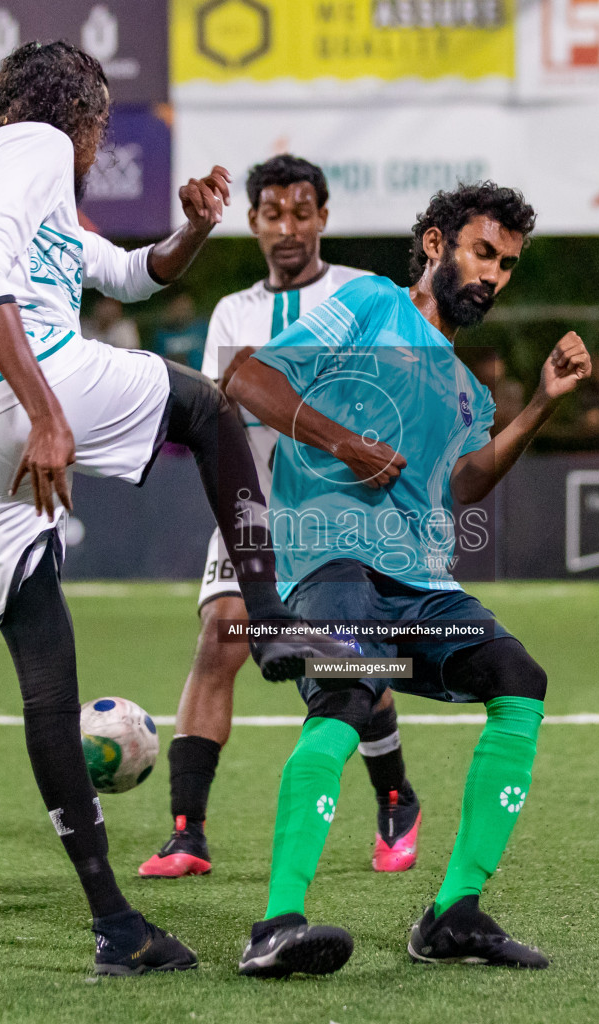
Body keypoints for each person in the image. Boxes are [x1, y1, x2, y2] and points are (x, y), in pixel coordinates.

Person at [0, 41, 350, 976]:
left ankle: (118, 925)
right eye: (101, 121)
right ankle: (272, 623)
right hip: (15, 384)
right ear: (75, 109)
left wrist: (190, 232)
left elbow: (127, 275)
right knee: (208, 403)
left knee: (45, 670)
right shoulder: (32, 145)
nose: (100, 140)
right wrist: (42, 414)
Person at [226, 182, 591, 977]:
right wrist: (344, 443)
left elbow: (463, 485)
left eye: (507, 265)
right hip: (332, 561)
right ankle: (276, 924)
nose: (493, 275)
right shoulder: (364, 306)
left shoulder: (468, 387)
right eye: (482, 252)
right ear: (435, 245)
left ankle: (454, 913)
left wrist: (539, 407)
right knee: (351, 691)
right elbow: (247, 381)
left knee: (517, 678)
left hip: (419, 588)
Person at [139, 155, 422, 881]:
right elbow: (229, 402)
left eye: (302, 212)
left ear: (323, 218)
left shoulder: (364, 294)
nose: (288, 227)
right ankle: (187, 832)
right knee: (219, 638)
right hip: (255, 507)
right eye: (273, 214)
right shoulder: (234, 311)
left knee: (342, 661)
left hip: (344, 514)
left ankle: (396, 799)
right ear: (255, 222)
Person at [152, 292, 208, 369]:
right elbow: (159, 362)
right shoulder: (162, 336)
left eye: (185, 308)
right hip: (177, 378)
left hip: (203, 376)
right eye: (179, 308)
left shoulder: (202, 328)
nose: (183, 312)